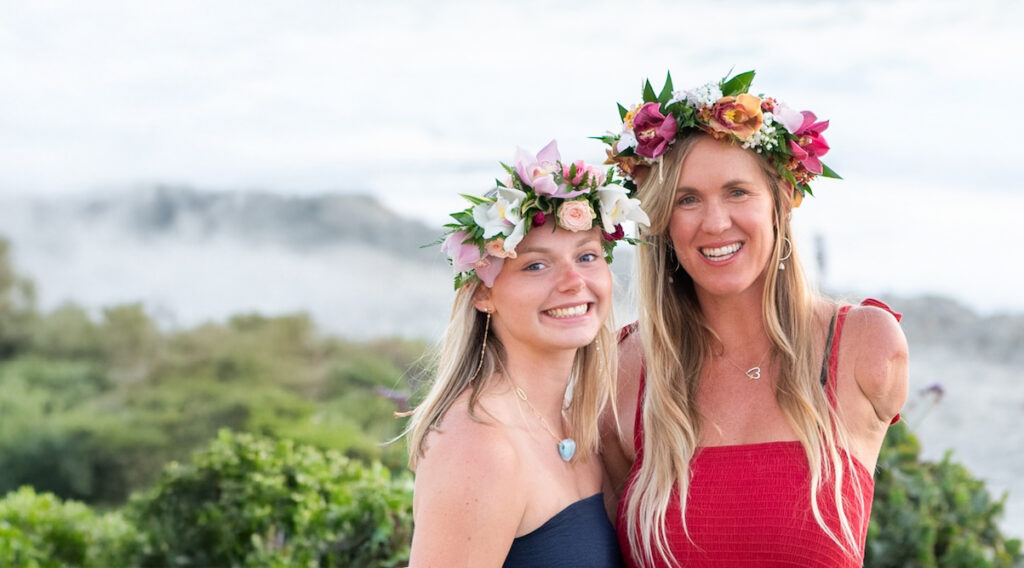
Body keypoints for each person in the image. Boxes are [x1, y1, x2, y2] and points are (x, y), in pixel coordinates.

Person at [597, 70, 909, 567]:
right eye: (687, 199)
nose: (715, 222)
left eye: (737, 192)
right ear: (661, 221)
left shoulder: (863, 348)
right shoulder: (623, 371)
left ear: (780, 203)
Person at [404, 140, 649, 567]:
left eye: (587, 256)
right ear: (483, 293)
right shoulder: (480, 446)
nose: (574, 282)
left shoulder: (579, 428)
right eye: (536, 265)